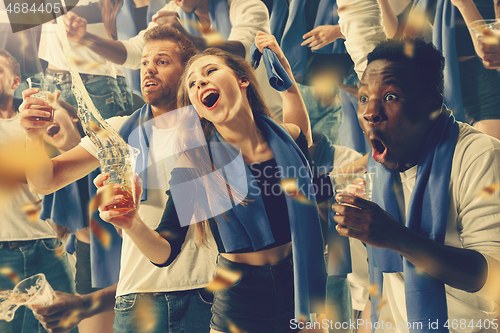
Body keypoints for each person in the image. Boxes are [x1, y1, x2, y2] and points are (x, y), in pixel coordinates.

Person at [95, 33, 327, 333]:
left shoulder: (286, 139)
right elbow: (164, 252)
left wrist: (284, 70)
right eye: (192, 83)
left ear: (243, 80)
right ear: (196, 105)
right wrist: (131, 223)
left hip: (299, 286)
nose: (200, 83)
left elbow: (301, 135)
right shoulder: (197, 166)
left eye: (210, 72)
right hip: (240, 302)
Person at [20, 26, 218, 333]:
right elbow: (45, 181)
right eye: (144, 63)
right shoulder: (117, 130)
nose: (149, 69)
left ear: (186, 72)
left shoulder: (214, 126)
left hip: (206, 291)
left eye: (162, 62)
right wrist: (33, 136)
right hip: (136, 295)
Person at [332, 38, 500, 332]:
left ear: (430, 107)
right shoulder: (380, 166)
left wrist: (395, 236)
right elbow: (385, 277)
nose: (371, 112)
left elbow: (493, 278)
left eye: (390, 97)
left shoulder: (479, 156)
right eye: (363, 98)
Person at [61, 0, 284, 119]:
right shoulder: (172, 10)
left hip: (263, 113)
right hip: (215, 117)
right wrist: (85, 38)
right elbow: (135, 52)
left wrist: (187, 37)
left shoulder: (247, 5)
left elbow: (241, 53)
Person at [0, 49, 77, 333]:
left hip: (46, 244)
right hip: (1, 251)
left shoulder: (39, 120)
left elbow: (70, 159)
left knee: (63, 326)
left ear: (14, 82)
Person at [39, 100, 120, 333]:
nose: (47, 121)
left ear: (74, 117)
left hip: (125, 254)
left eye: (52, 112)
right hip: (88, 260)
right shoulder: (52, 172)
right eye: (40, 119)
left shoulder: (111, 147)